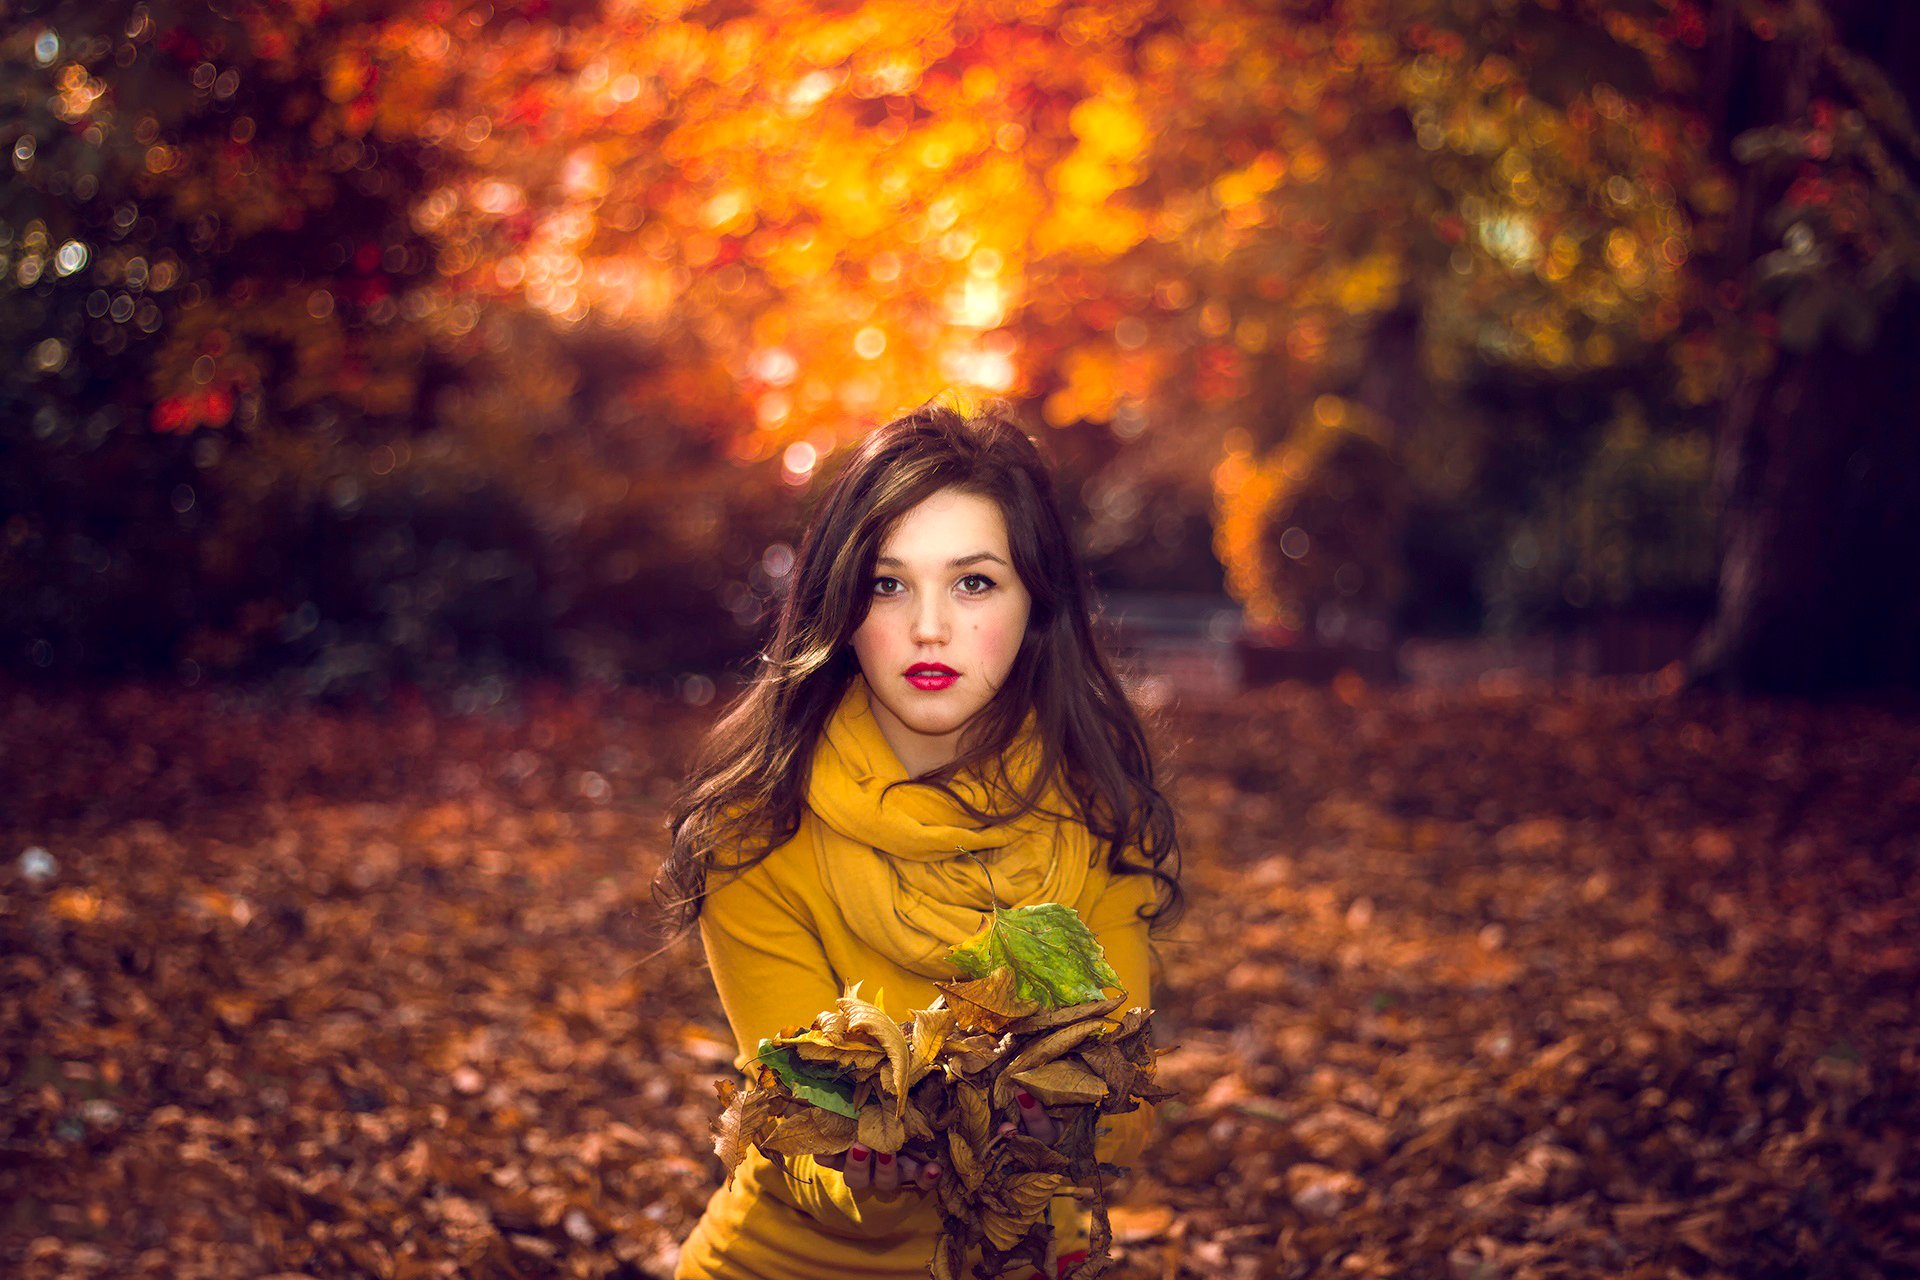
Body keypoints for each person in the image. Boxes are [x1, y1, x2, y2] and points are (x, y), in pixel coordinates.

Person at [654, 396, 1184, 1280]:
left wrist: (1060, 1121)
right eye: (888, 584)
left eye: (973, 582)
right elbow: (795, 1127)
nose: (928, 628)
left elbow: (1125, 1108)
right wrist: (867, 1166)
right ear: (842, 605)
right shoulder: (758, 827)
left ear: (1034, 605)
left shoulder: (1098, 813)